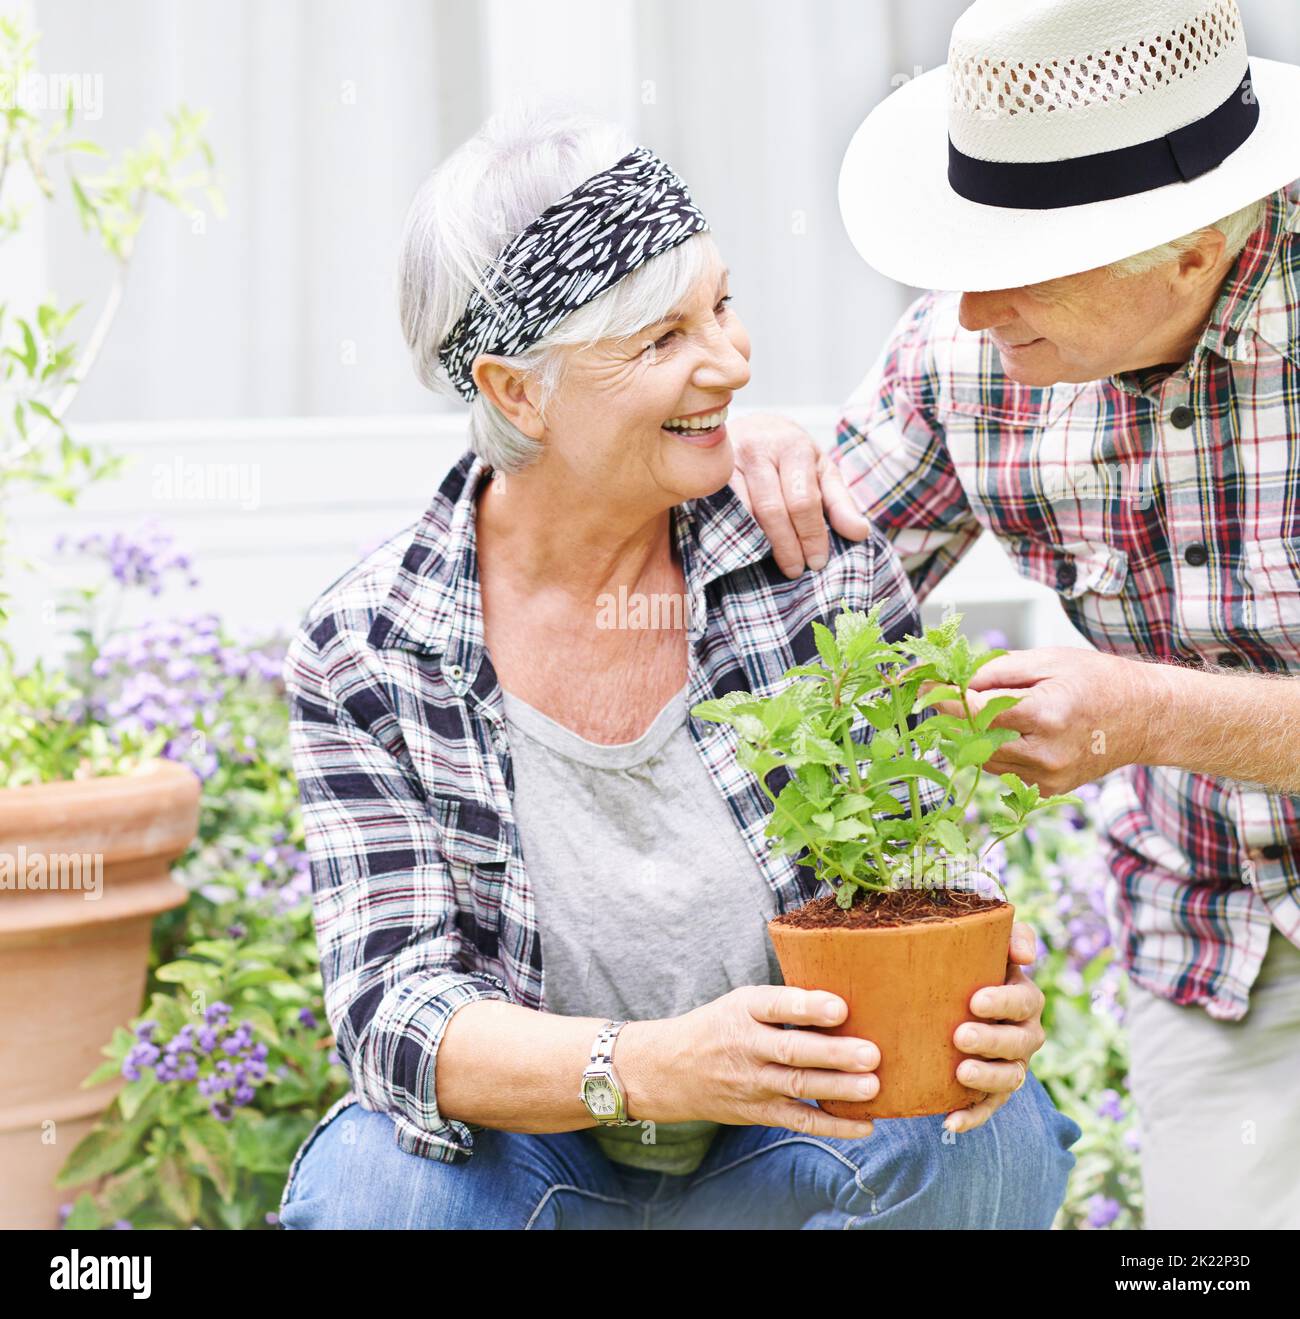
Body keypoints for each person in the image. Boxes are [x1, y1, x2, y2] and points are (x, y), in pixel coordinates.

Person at [276, 105, 1080, 1230]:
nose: (734, 360)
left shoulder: (804, 555)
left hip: (800, 1142)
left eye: (722, 304)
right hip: (538, 1162)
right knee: (374, 1190)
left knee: (981, 1144)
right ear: (517, 392)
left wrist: (989, 995)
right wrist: (649, 1063)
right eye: (661, 341)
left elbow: (940, 866)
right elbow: (393, 1006)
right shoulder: (371, 644)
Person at [729, 0, 1300, 1230]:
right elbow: (783, 605)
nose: (971, 312)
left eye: (1016, 266)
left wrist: (1151, 711)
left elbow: (1150, 708)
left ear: (1192, 249)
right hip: (1216, 935)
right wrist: (714, 454)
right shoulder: (965, 354)